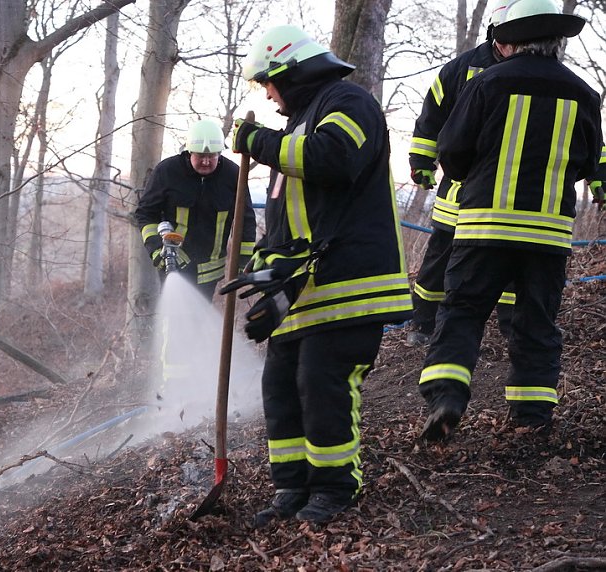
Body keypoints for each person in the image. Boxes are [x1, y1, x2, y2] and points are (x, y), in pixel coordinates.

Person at [227, 25, 412, 526]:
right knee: (281, 386)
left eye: (268, 82)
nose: (266, 94)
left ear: (288, 71)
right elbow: (291, 227)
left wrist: (257, 141)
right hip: (310, 290)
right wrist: (265, 275)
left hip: (351, 285)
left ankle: (334, 489)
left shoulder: (349, 101)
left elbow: (334, 159)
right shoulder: (299, 125)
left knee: (322, 381)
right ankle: (292, 488)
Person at [418, 0, 603, 442]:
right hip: (549, 235)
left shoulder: (485, 84)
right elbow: (588, 159)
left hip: (484, 227)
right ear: (556, 42)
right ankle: (533, 417)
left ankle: (447, 396)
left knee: (462, 311)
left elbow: (452, 151)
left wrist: (473, 175)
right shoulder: (584, 93)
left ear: (509, 41)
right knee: (536, 320)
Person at [406, 3, 516, 347]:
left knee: (511, 264)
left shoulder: (539, 71)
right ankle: (423, 323)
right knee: (440, 255)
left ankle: (511, 331)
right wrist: (421, 161)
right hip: (458, 189)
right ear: (496, 34)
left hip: (511, 192)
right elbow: (431, 118)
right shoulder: (459, 70)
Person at [134, 119, 257, 301]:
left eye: (212, 156)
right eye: (200, 156)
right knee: (173, 322)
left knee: (199, 323)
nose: (206, 162)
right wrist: (156, 250)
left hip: (211, 271)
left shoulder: (233, 175)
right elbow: (145, 214)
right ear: (189, 151)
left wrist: (243, 264)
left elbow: (245, 220)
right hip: (174, 265)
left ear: (220, 153)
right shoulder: (167, 172)